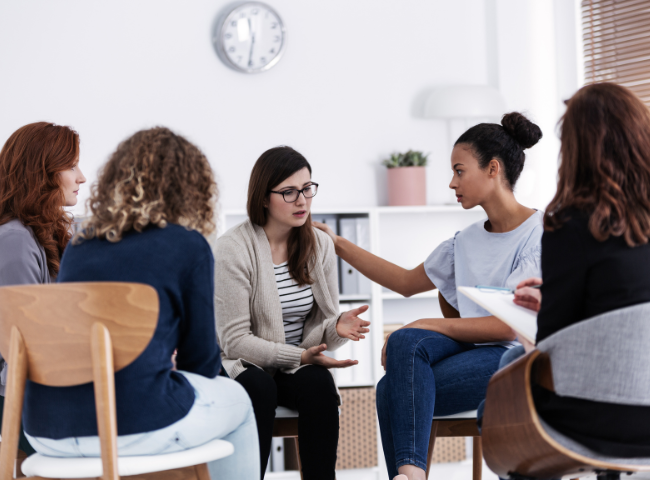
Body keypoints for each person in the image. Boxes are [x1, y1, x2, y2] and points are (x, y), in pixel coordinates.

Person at [315, 113, 544, 480]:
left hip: (514, 360)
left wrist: (427, 322)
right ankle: (413, 474)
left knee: (392, 387)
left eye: (459, 170)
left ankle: (408, 475)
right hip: (469, 354)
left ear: (493, 169)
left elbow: (506, 328)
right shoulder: (464, 241)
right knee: (405, 345)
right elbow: (405, 282)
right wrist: (337, 244)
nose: (452, 183)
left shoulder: (539, 234)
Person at [22, 127, 259, 479]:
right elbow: (202, 364)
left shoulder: (80, 243)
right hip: (132, 426)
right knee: (238, 400)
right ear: (191, 186)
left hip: (46, 428)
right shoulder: (188, 245)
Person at [507, 82, 650, 458]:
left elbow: (552, 348)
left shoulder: (571, 226)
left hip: (599, 418)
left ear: (578, 150)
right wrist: (555, 292)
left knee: (509, 371)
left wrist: (543, 311)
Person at [214, 146, 371, 480]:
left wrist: (336, 328)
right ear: (263, 198)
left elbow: (320, 326)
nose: (302, 200)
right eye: (289, 192)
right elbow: (235, 341)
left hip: (295, 362)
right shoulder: (232, 249)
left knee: (319, 385)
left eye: (307, 189)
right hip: (241, 363)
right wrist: (299, 357)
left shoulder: (320, 244)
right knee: (259, 387)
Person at [0, 121, 86, 455]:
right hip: (23, 406)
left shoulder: (43, 236)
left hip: (44, 394)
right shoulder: (15, 242)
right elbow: (22, 349)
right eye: (71, 165)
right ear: (42, 173)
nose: (82, 177)